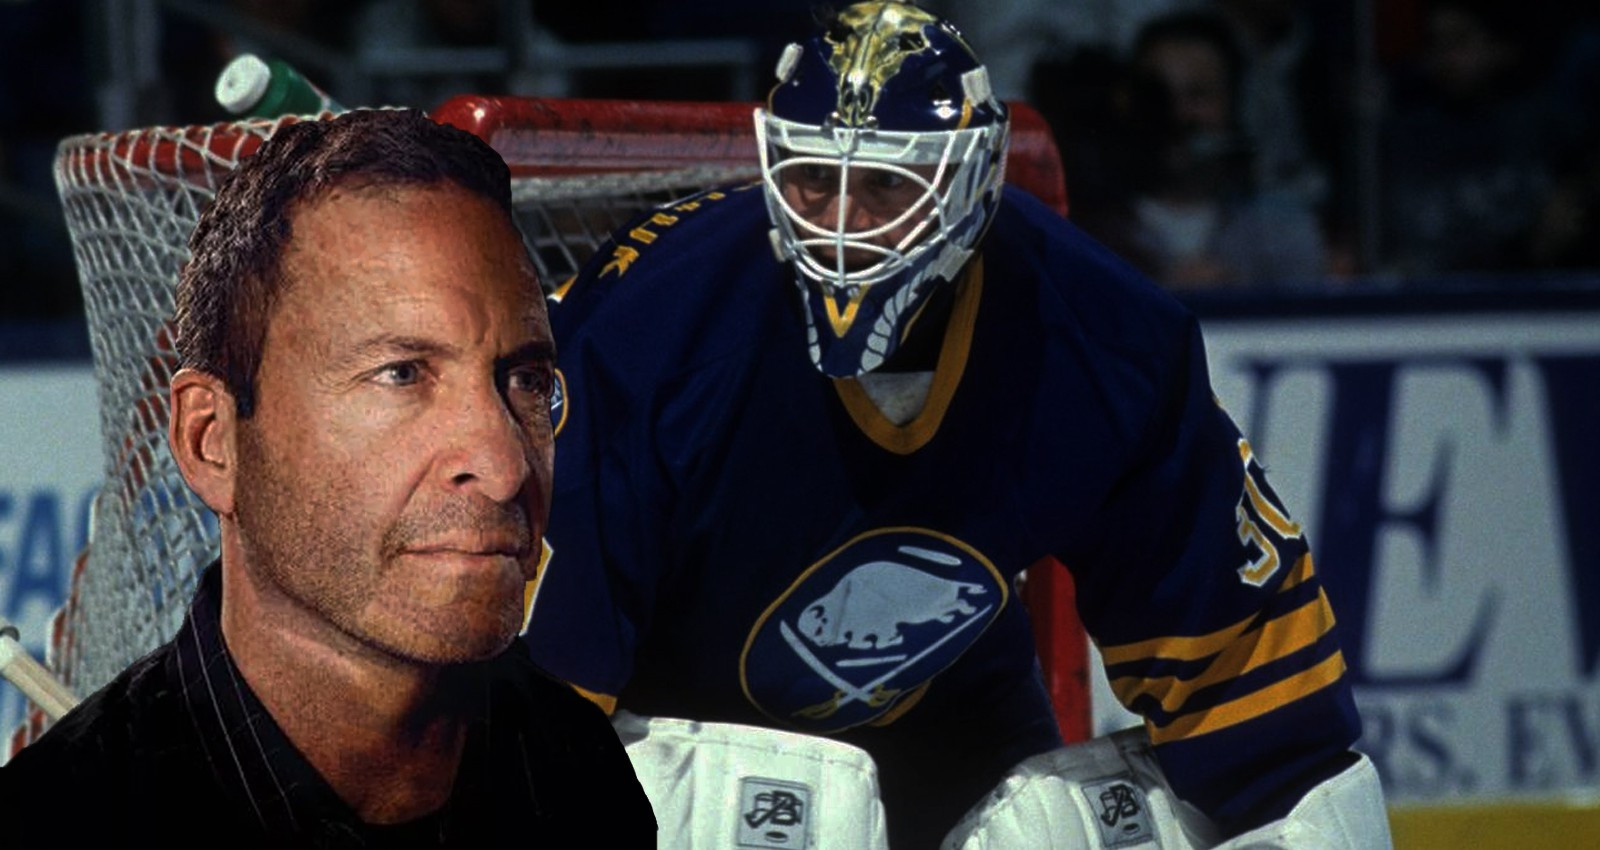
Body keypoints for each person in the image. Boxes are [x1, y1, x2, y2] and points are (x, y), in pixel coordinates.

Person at [525, 2, 1388, 847]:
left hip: (950, 724)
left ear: (970, 185)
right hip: (670, 728)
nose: (842, 227)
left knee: (1077, 835)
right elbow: (531, 716)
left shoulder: (1103, 338)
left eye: (886, 186)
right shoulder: (647, 330)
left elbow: (1261, 709)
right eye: (815, 180)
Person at [0, 109, 656, 848]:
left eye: (526, 380)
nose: (505, 468)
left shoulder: (578, 775)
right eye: (401, 374)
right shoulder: (55, 827)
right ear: (212, 441)